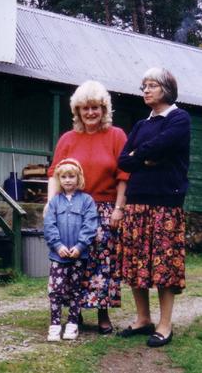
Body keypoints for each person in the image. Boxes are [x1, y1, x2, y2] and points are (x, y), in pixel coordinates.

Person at [46, 80, 129, 334]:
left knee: (102, 262)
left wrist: (119, 208)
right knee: (71, 258)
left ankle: (103, 313)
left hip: (104, 209)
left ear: (104, 109)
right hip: (71, 208)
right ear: (78, 111)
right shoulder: (68, 139)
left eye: (96, 107)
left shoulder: (116, 136)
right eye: (85, 108)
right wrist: (51, 206)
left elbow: (124, 176)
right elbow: (54, 174)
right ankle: (75, 311)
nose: (90, 113)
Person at [117, 67, 190, 347]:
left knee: (164, 267)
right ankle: (143, 319)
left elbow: (164, 143)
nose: (146, 90)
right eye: (143, 86)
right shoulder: (140, 125)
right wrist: (146, 157)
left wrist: (141, 154)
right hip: (136, 202)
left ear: (166, 89)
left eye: (151, 86)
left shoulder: (179, 118)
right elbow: (123, 161)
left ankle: (165, 324)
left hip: (165, 203)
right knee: (137, 263)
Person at [44, 158, 98, 341]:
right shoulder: (54, 202)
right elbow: (49, 226)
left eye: (71, 176)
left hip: (78, 256)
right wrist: (58, 246)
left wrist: (80, 246)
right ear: (59, 179)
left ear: (78, 178)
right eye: (64, 177)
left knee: (75, 291)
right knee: (56, 290)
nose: (68, 180)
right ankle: (54, 325)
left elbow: (90, 225)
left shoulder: (87, 201)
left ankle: (73, 324)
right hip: (58, 256)